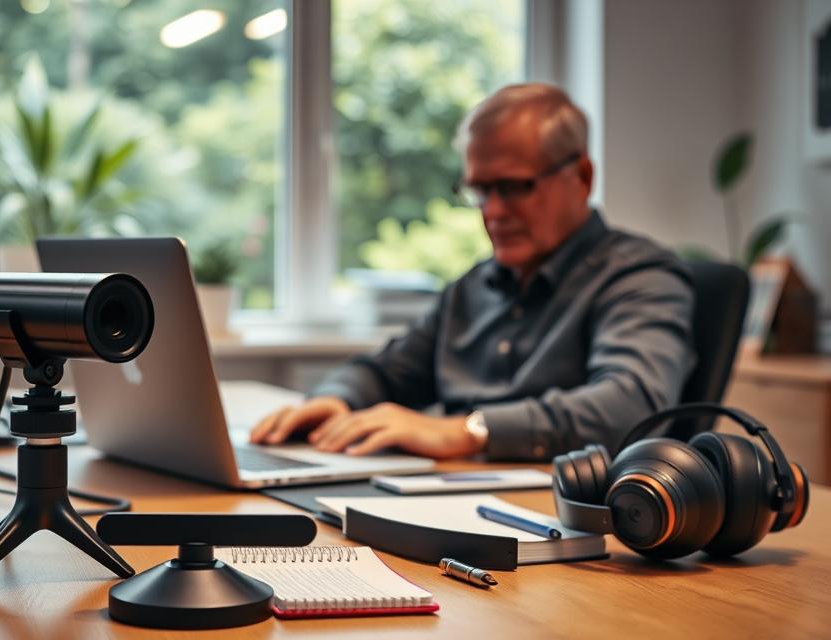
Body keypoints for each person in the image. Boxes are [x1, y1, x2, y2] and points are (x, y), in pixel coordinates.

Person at [250, 83, 696, 461]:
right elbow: (386, 371)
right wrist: (336, 399)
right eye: (480, 191)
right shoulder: (474, 287)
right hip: (453, 496)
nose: (493, 212)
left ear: (581, 176)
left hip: (556, 518)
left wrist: (467, 431)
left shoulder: (640, 278)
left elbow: (629, 406)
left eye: (514, 187)